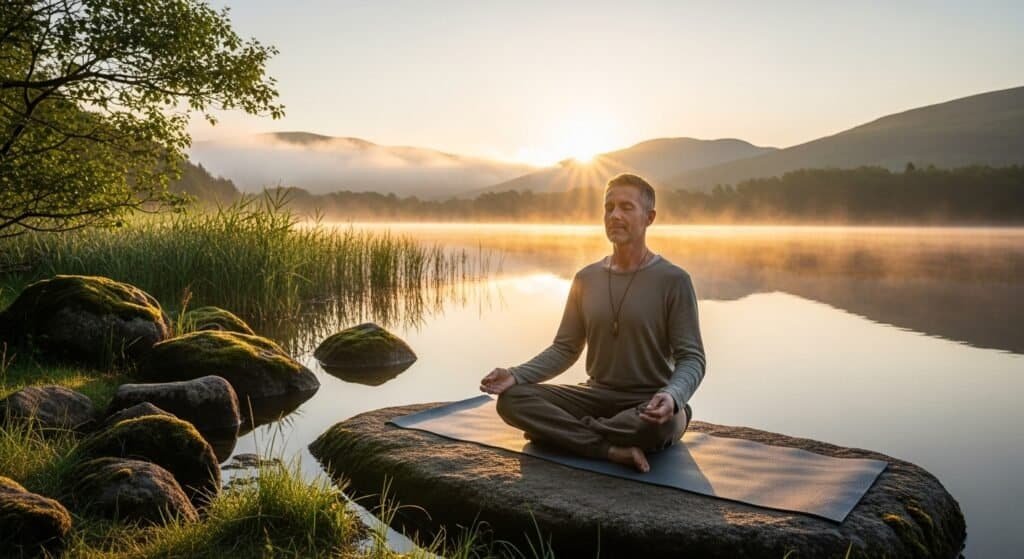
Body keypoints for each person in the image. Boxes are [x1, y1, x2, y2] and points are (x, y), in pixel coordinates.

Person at [479, 173, 706, 473]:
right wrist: (516, 374)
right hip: (594, 396)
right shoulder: (586, 278)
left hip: (649, 402)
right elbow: (565, 348)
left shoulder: (674, 281)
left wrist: (673, 396)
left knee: (656, 428)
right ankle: (609, 449)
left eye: (626, 207)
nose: (614, 215)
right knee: (512, 401)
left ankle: (563, 433)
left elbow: (692, 358)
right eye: (609, 207)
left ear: (649, 217)